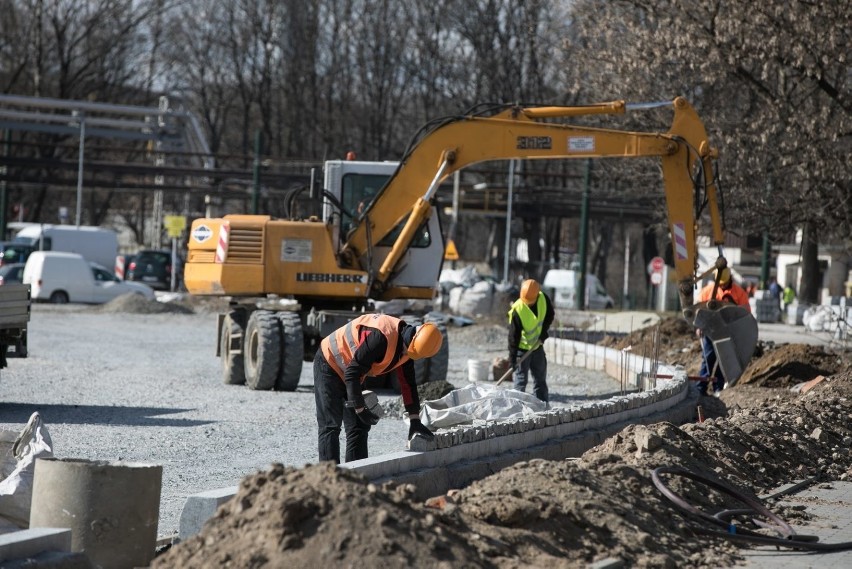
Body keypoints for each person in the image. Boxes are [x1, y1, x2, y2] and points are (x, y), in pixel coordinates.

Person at [314, 313, 442, 464]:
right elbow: (352, 373)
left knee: (359, 427)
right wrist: (360, 408)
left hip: (353, 370)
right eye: (408, 351)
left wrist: (415, 419)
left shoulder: (408, 346)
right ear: (413, 340)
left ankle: (355, 477)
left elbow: (408, 384)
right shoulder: (381, 337)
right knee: (331, 424)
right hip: (329, 362)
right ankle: (328, 480)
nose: (406, 354)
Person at [695, 267, 751, 395]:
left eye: (724, 283)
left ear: (730, 278)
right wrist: (699, 327)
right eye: (720, 283)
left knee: (723, 359)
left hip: (728, 332)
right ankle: (701, 387)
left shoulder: (739, 293)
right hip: (710, 330)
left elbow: (746, 313)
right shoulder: (707, 291)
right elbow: (698, 312)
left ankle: (718, 387)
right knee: (708, 358)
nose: (722, 285)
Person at [508, 278, 554, 403]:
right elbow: (513, 337)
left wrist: (544, 332)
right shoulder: (518, 310)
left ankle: (542, 406)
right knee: (521, 381)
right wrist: (512, 358)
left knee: (540, 379)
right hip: (522, 350)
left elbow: (550, 315)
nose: (528, 303)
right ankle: (516, 408)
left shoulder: (543, 299)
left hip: (537, 347)